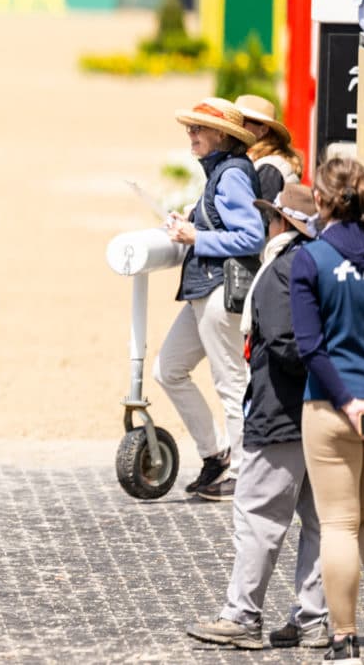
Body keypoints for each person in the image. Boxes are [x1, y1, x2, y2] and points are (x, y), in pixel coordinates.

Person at [186, 184, 328, 650]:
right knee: (319, 522)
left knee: (257, 516)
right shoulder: (325, 266)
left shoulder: (281, 271)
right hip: (325, 415)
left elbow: (288, 345)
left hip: (282, 411)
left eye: (270, 218)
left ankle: (242, 616)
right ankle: (312, 620)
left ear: (281, 224)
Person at [156, 98, 264, 501]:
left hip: (220, 292)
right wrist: (191, 224)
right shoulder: (222, 170)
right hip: (205, 290)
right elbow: (228, 226)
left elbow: (252, 236)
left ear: (222, 136)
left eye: (198, 129)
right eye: (190, 128)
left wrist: (195, 236)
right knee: (168, 369)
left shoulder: (231, 173)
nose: (191, 135)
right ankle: (216, 454)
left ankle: (241, 473)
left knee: (231, 382)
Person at [292, 158, 364, 662]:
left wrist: (348, 400)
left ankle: (343, 636)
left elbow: (309, 347)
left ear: (318, 201)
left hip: (331, 406)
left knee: (339, 525)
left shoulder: (309, 259)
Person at [234, 94, 302, 208]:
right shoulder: (261, 162)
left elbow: (263, 219)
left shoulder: (269, 169)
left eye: (243, 122)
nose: (236, 126)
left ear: (263, 129)